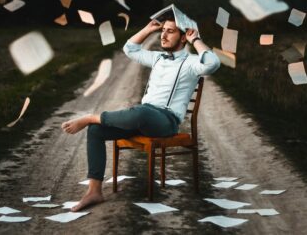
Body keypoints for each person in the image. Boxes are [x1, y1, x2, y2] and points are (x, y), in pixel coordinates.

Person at [61, 15, 221, 211]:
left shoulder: (192, 62)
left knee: (139, 113)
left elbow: (213, 63)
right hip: (143, 118)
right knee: (96, 131)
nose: (163, 35)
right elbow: (129, 49)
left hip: (165, 122)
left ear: (183, 37)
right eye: (163, 31)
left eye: (170, 32)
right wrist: (148, 29)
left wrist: (195, 39)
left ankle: (90, 117)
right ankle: (94, 191)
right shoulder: (157, 57)